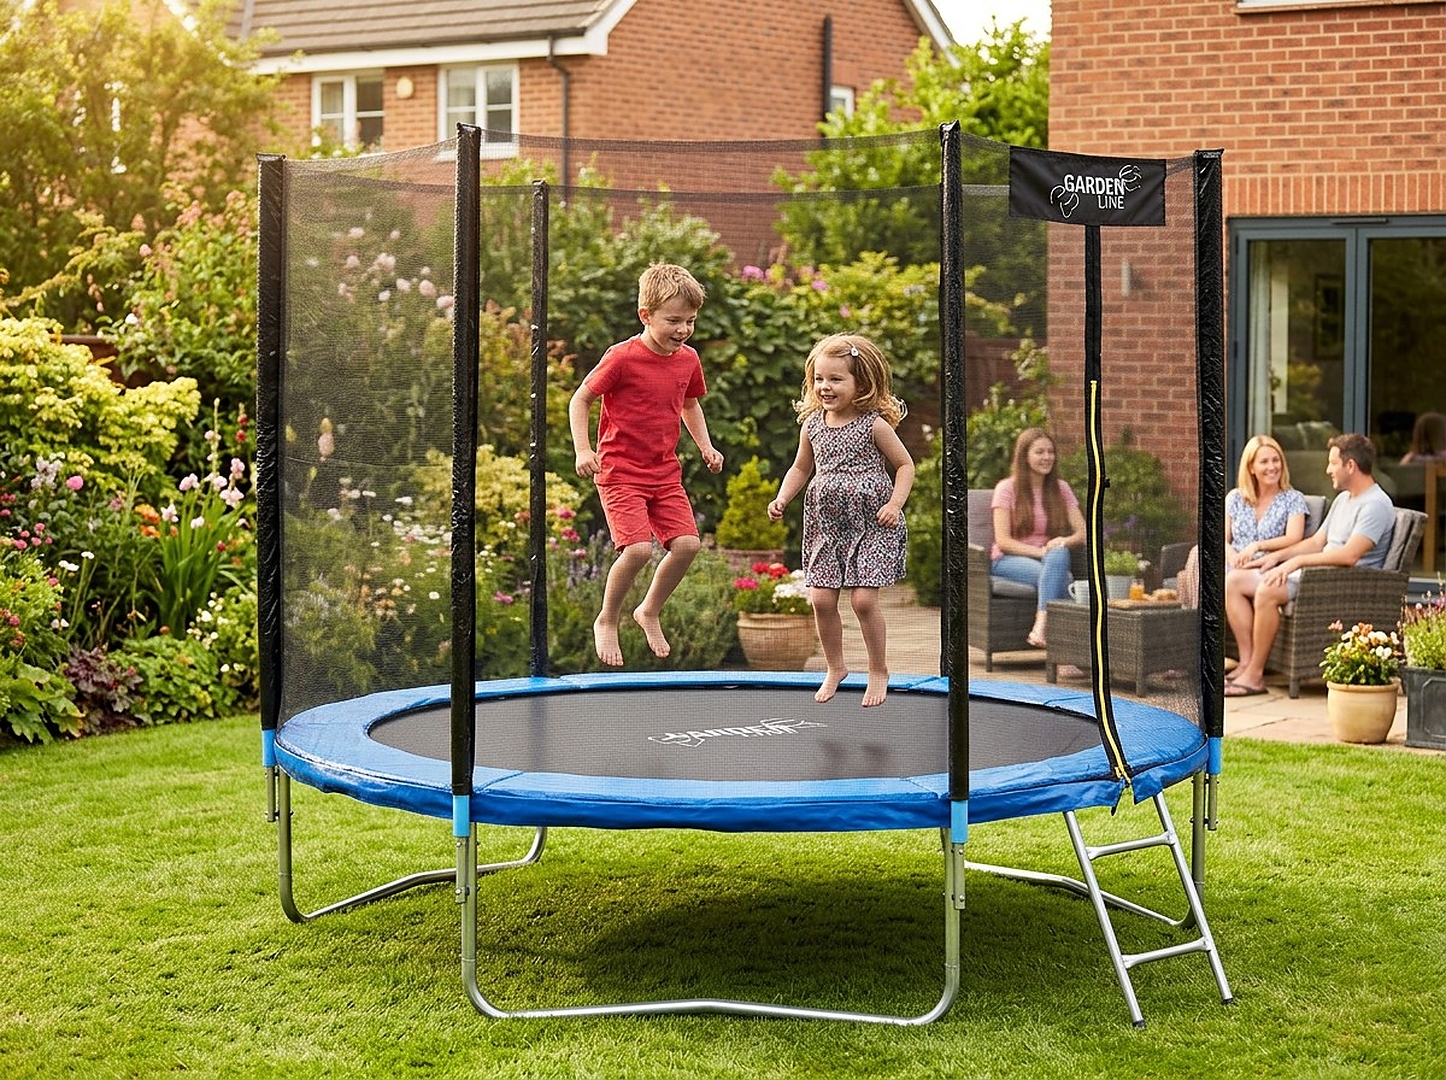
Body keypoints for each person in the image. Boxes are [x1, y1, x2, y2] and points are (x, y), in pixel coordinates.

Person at [569, 263, 724, 666]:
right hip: (620, 472)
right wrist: (583, 450)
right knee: (637, 550)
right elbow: (580, 399)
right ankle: (607, 618)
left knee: (688, 545)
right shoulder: (622, 357)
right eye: (673, 320)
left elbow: (690, 404)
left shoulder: (688, 360)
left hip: (664, 472)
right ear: (646, 315)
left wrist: (705, 446)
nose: (683, 329)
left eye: (690, 321)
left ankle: (649, 610)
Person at [767, 333, 914, 707]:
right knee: (820, 599)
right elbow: (801, 468)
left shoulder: (873, 425)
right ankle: (836, 666)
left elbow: (905, 466)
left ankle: (878, 669)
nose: (825, 387)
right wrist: (782, 497)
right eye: (819, 379)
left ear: (860, 384)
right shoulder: (812, 425)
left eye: (835, 379)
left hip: (872, 524)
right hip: (827, 526)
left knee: (863, 601)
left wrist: (895, 504)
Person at [1223, 432, 1395, 697]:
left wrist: (1294, 563)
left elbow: (1349, 556)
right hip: (1318, 574)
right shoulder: (1344, 499)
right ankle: (1246, 664)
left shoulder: (1375, 505)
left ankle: (1255, 676)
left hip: (1340, 582)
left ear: (1350, 465)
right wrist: (1277, 557)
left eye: (1333, 463)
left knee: (1267, 590)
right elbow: (1316, 542)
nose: (1328, 470)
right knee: (1234, 581)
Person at [1179, 434, 1308, 609]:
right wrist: (1231, 556)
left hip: (1265, 563)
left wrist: (1257, 546)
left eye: (1275, 460)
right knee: (1198, 553)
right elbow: (1220, 538)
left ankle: (1202, 615)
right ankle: (1201, 617)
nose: (1272, 467)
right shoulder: (1235, 497)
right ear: (1251, 467)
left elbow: (1294, 537)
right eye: (1264, 462)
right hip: (1234, 561)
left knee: (1206, 576)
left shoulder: (1293, 498)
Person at [988, 428, 1087, 649]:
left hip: (1050, 559)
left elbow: (1082, 533)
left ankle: (1042, 625)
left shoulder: (1061, 488)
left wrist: (1062, 542)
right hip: (1007, 560)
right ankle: (1065, 652)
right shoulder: (1006, 489)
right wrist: (1042, 552)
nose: (1047, 457)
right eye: (1039, 452)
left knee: (1059, 553)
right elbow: (1003, 541)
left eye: (1051, 452)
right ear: (1025, 456)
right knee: (1063, 578)